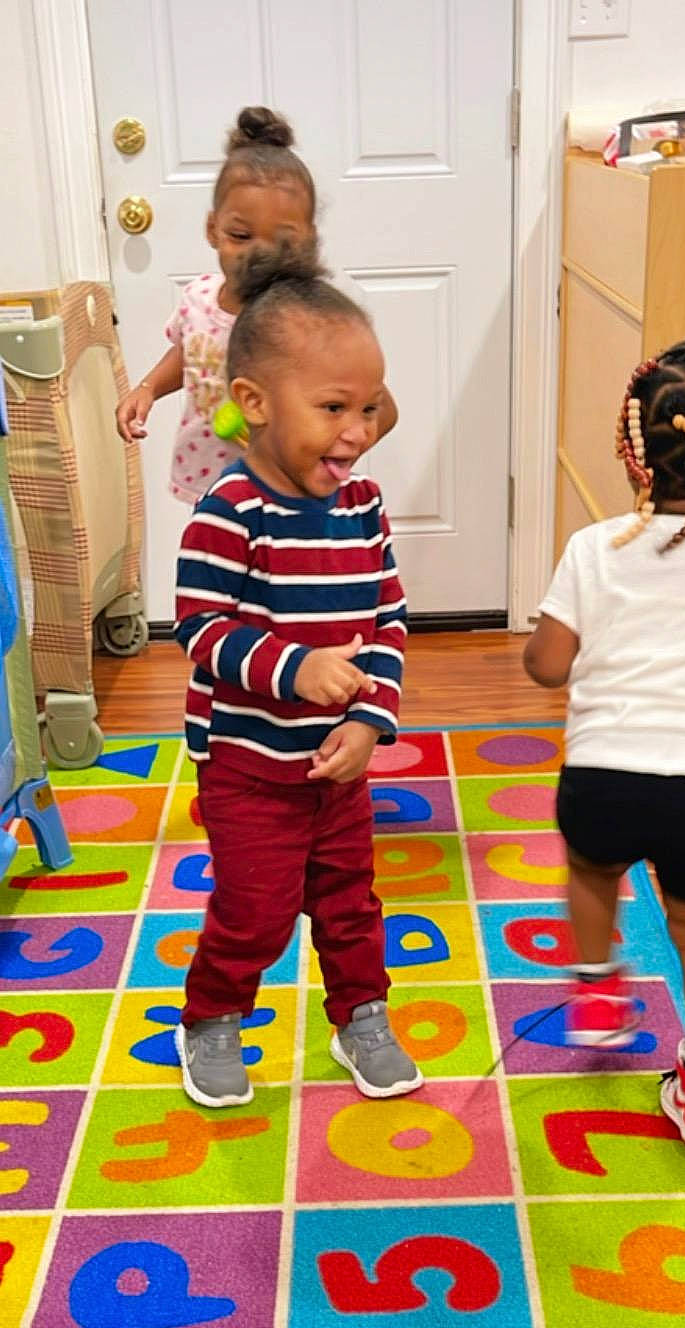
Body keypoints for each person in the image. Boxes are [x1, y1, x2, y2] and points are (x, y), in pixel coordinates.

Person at [524, 336, 685, 1153]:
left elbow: (546, 667)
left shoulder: (594, 549)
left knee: (590, 870)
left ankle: (599, 990)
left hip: (605, 778)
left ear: (635, 454)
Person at [172, 240, 422, 1109]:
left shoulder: (363, 507)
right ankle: (210, 1017)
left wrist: (369, 722)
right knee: (256, 909)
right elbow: (199, 629)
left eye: (368, 406)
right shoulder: (228, 512)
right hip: (247, 766)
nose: (356, 431)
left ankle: (361, 1012)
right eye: (332, 407)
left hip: (337, 765)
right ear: (254, 403)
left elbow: (389, 620)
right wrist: (296, 667)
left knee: (351, 900)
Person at [115, 105, 396, 502]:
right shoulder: (197, 298)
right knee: (214, 558)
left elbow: (380, 409)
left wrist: (328, 458)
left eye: (282, 239)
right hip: (209, 482)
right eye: (241, 236)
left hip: (286, 491)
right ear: (213, 229)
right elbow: (190, 354)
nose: (259, 254)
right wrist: (146, 390)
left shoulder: (307, 324)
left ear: (310, 237)